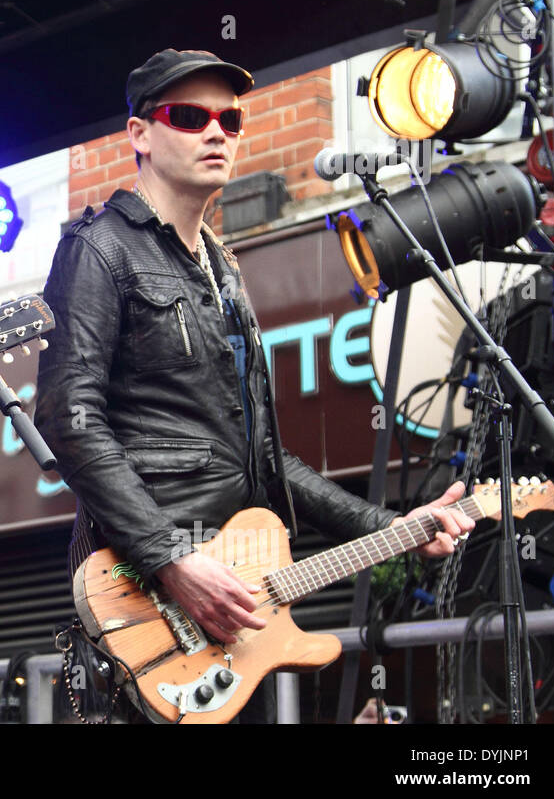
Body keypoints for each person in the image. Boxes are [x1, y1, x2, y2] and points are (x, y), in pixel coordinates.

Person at [33, 49, 473, 721]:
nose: (216, 132)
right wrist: (172, 559)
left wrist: (392, 527)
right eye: (189, 116)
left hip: (239, 601)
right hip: (149, 602)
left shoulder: (225, 271)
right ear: (139, 135)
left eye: (231, 120)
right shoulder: (99, 248)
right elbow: (70, 417)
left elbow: (268, 462)